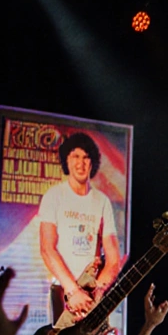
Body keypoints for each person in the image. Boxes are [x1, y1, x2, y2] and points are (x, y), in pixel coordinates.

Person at [38, 132, 122, 321]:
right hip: (64, 292)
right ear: (66, 160)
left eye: (86, 157)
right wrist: (73, 291)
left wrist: (97, 291)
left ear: (92, 163)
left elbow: (113, 258)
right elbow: (47, 248)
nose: (80, 163)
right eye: (75, 156)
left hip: (93, 296)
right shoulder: (54, 196)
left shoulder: (102, 201)